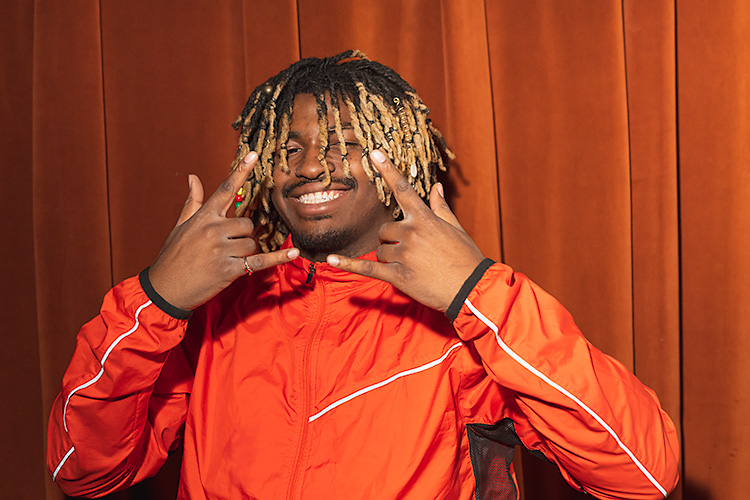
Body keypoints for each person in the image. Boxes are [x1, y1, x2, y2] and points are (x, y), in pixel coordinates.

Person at [47, 50, 679, 499]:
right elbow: (81, 470)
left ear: (397, 158)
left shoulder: (468, 323)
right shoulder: (211, 316)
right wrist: (157, 300)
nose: (310, 167)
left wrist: (476, 290)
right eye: (288, 148)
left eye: (343, 143)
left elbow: (642, 472)